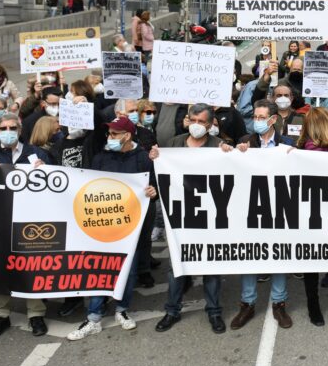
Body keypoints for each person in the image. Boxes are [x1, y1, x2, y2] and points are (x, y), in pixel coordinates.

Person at [66, 117, 157, 341]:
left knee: (129, 269)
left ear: (127, 136)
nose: (110, 138)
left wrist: (153, 193)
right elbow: (87, 186)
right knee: (100, 268)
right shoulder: (100, 158)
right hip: (103, 225)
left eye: (115, 134)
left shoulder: (144, 159)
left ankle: (121, 310)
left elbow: (155, 187)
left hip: (131, 227)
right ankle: (94, 316)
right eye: (110, 134)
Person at [149, 104, 236, 334]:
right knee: (177, 266)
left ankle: (214, 312)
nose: (197, 125)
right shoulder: (175, 144)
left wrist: (232, 155)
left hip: (210, 216)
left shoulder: (218, 146)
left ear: (210, 124)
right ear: (188, 120)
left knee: (211, 267)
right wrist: (156, 157)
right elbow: (161, 172)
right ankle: (172, 311)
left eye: (202, 121)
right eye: (193, 119)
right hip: (181, 217)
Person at [0, 113, 51, 339]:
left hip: (31, 221)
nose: (8, 131)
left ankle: (36, 314)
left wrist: (46, 168)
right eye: (3, 128)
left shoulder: (38, 154)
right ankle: (0, 315)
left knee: (32, 265)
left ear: (20, 130)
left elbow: (58, 183)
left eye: (12, 127)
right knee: (0, 267)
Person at [230, 101, 295, 330]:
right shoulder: (246, 142)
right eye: (255, 117)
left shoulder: (288, 143)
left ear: (273, 119)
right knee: (249, 254)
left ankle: (279, 302)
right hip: (250, 207)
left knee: (278, 254)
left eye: (261, 117)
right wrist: (235, 153)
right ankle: (247, 303)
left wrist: (294, 156)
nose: (256, 121)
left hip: (279, 208)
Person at [295, 108, 328, 327]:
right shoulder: (303, 150)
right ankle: (324, 309)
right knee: (318, 266)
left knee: (327, 266)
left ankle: (322, 309)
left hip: (324, 216)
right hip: (315, 215)